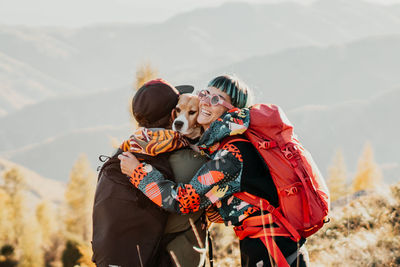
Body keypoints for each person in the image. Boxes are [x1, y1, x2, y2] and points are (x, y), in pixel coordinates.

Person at [119, 75, 309, 267]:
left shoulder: (230, 156)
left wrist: (139, 174)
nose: (205, 102)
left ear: (232, 110)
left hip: (274, 251)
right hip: (268, 245)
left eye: (216, 99)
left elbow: (183, 201)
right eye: (205, 94)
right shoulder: (225, 146)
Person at [92, 79, 207, 267]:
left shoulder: (126, 151)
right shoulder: (191, 161)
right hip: (176, 256)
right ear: (172, 117)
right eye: (178, 109)